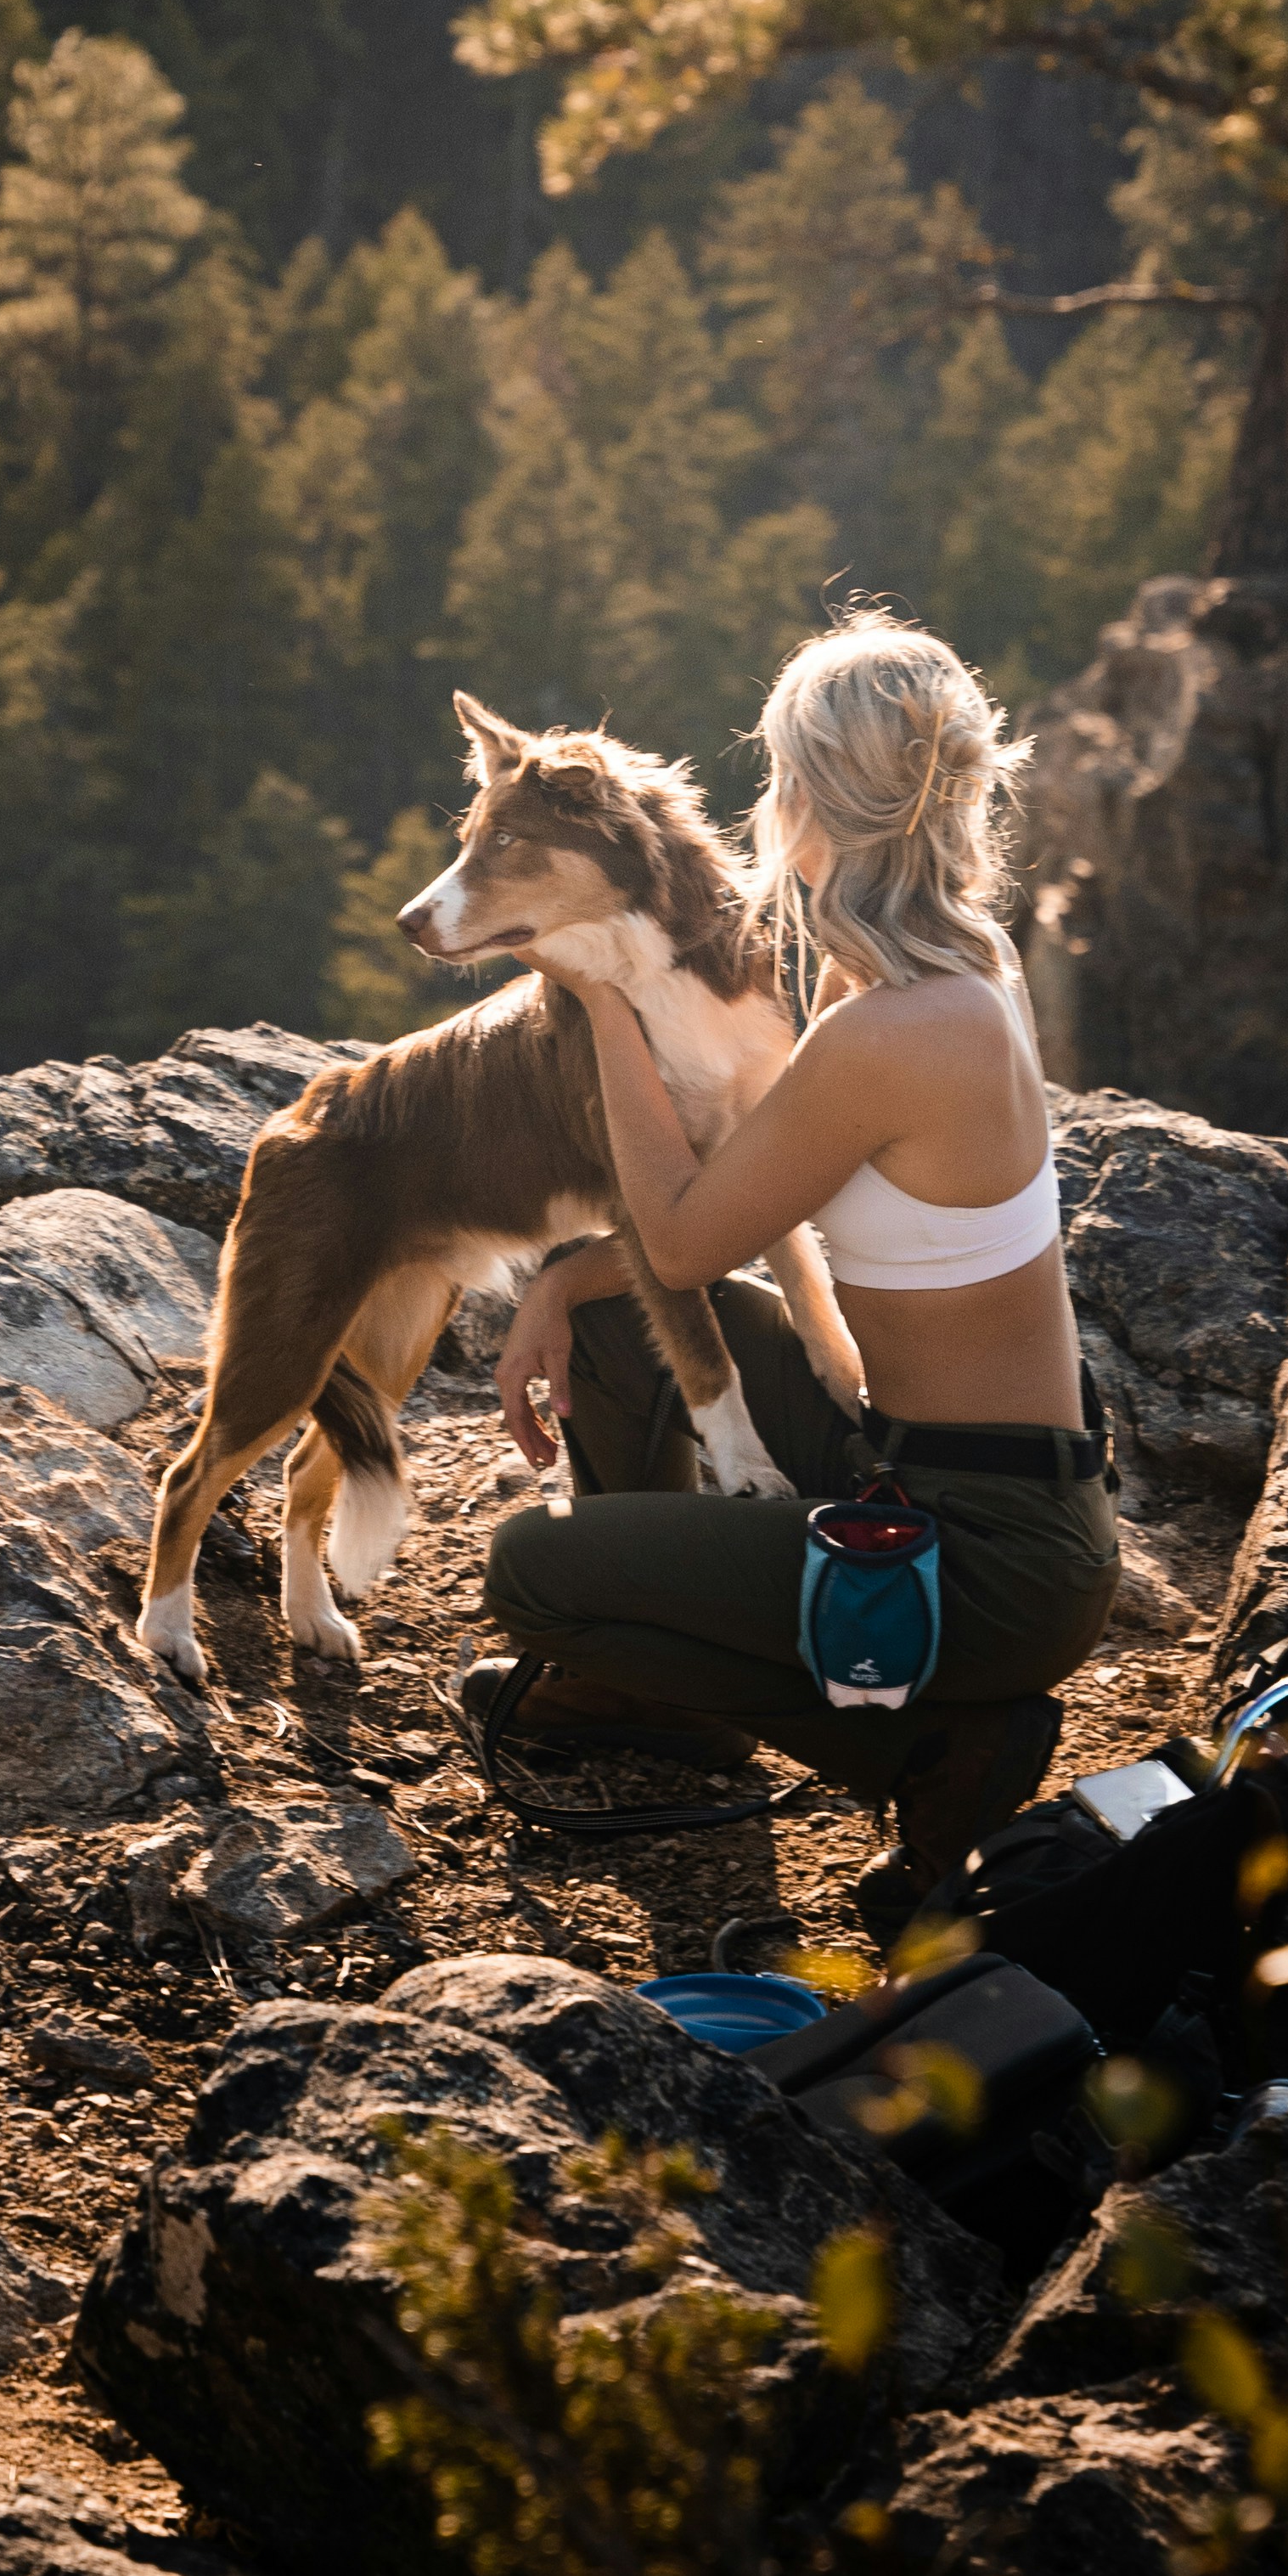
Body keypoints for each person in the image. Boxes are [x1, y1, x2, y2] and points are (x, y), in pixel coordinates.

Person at [463, 610, 1120, 1945]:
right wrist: (560, 1287)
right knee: (622, 1331)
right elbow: (724, 1234)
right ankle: (649, 1684)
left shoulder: (889, 1030)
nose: (764, 804)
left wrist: (598, 1000)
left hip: (985, 1558)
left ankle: (920, 1753)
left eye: (775, 777)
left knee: (530, 1569)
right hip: (968, 1474)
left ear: (817, 800)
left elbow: (691, 1235)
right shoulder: (953, 967)